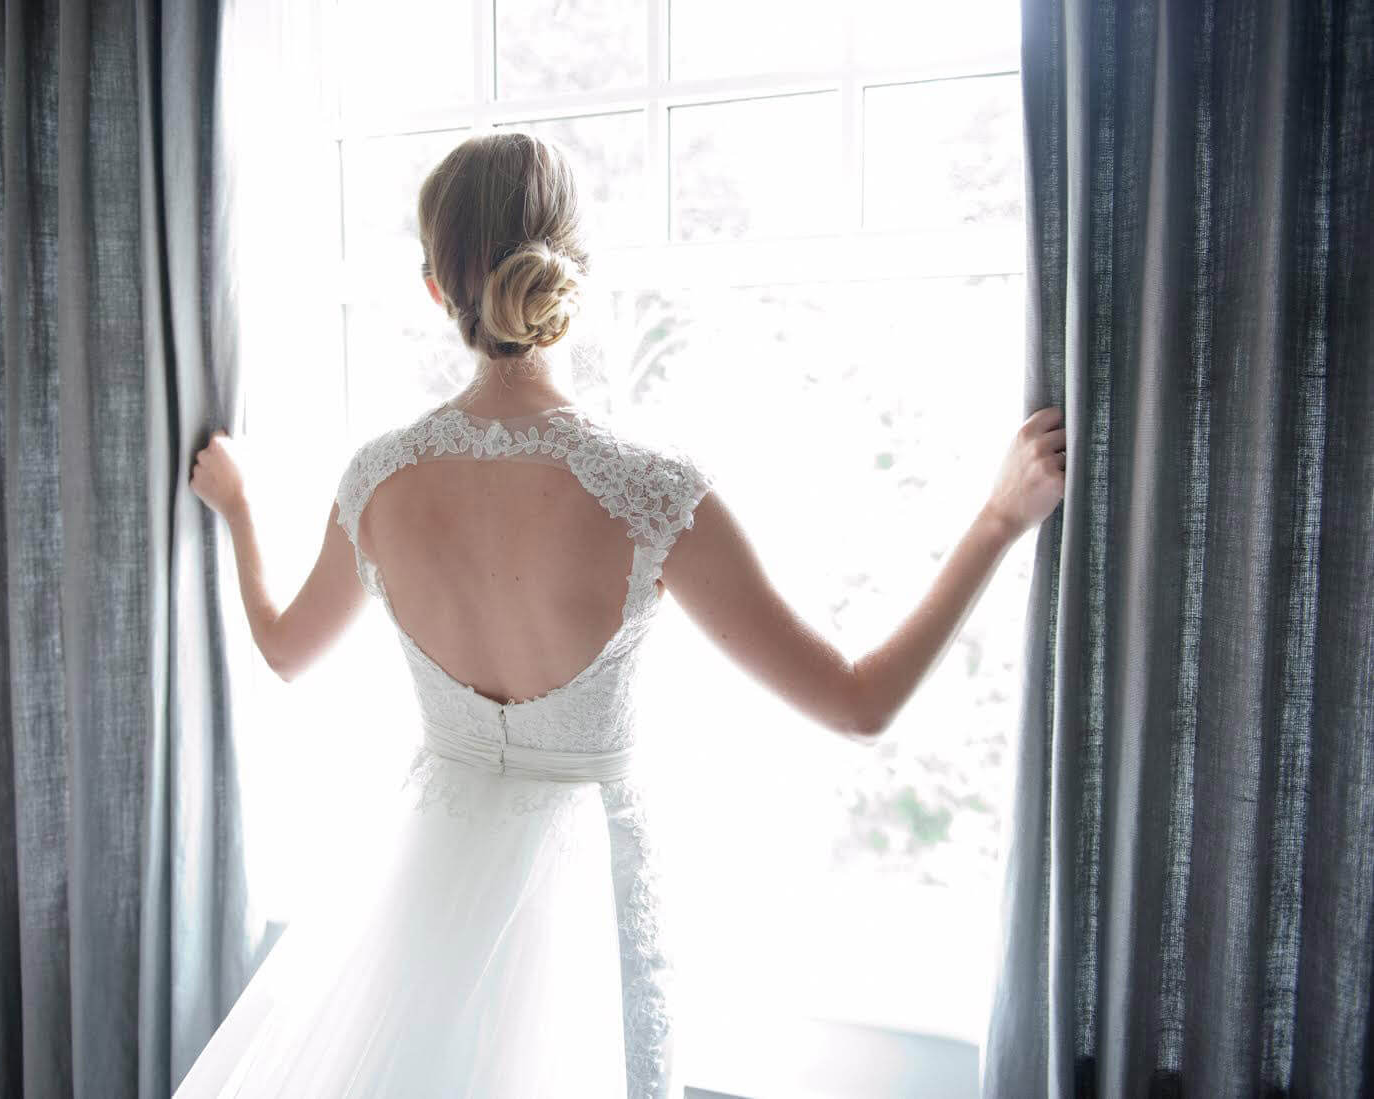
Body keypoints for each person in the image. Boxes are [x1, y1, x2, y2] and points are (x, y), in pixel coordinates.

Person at [176, 132, 1065, 1099]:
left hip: (425, 894)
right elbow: (859, 703)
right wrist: (997, 518)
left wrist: (240, 509)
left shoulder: (378, 481)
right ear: (576, 274)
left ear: (437, 288)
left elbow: (282, 648)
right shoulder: (648, 490)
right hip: (585, 906)